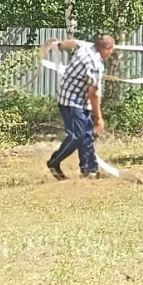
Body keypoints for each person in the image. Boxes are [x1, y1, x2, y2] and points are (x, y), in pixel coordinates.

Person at [40, 34, 115, 179]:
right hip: (71, 101)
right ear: (106, 49)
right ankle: (54, 162)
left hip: (76, 98)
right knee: (77, 136)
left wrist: (59, 45)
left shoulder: (87, 46)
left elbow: (73, 43)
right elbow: (94, 94)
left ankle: (89, 170)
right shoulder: (95, 64)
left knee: (87, 134)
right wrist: (99, 118)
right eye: (112, 50)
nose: (111, 53)